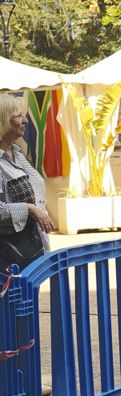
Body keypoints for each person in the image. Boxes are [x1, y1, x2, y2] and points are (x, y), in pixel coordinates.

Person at [0, 94, 54, 270]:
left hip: (29, 253)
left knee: (28, 297)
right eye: (18, 116)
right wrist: (29, 209)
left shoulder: (17, 153)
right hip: (6, 260)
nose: (25, 121)